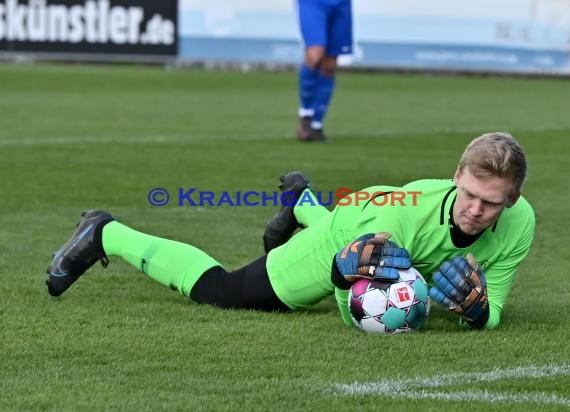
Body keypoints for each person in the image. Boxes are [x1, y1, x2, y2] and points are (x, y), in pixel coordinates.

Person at [46, 132, 535, 330]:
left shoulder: (521, 223)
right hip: (357, 225)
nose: (474, 209)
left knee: (385, 254)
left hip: (368, 213)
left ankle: (301, 202)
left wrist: (478, 313)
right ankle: (106, 232)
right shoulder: (398, 222)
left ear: (510, 200)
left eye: (490, 202)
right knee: (226, 291)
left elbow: (495, 308)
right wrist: (347, 281)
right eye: (468, 193)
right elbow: (355, 309)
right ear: (456, 178)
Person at [295, 0, 353, 142]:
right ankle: (306, 114)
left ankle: (316, 125)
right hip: (313, 3)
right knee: (315, 55)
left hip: (341, 4)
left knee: (330, 65)